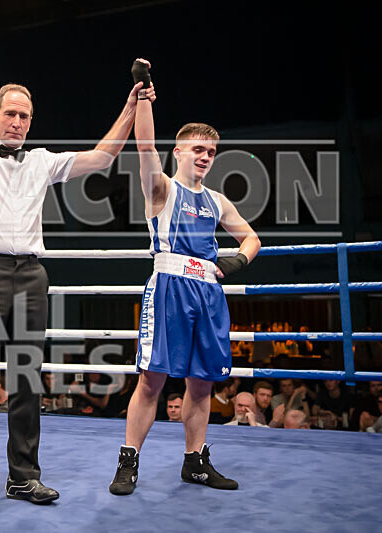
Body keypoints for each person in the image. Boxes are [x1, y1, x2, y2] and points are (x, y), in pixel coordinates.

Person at [0, 41, 150, 516]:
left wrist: (131, 104)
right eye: (11, 113)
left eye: (25, 116)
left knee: (26, 380)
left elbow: (101, 158)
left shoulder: (41, 160)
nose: (18, 122)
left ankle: (23, 477)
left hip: (31, 275)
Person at [109, 59, 261, 496]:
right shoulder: (161, 189)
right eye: (197, 149)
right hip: (170, 288)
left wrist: (235, 262)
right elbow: (143, 147)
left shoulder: (216, 201)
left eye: (211, 152)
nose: (205, 157)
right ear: (178, 152)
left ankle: (195, 462)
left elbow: (251, 239)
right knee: (152, 380)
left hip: (208, 293)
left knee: (202, 383)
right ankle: (128, 461)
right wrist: (144, 93)